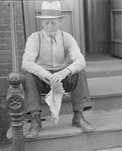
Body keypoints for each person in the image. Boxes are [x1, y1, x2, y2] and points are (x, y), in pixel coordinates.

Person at [21, 1, 94, 138]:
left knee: (80, 73)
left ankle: (78, 116)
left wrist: (64, 72)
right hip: (42, 80)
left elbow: (80, 60)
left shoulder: (67, 38)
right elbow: (26, 63)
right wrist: (47, 75)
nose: (49, 26)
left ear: (60, 22)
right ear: (41, 23)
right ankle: (36, 120)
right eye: (46, 23)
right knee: (28, 76)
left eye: (53, 22)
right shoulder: (34, 38)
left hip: (62, 78)